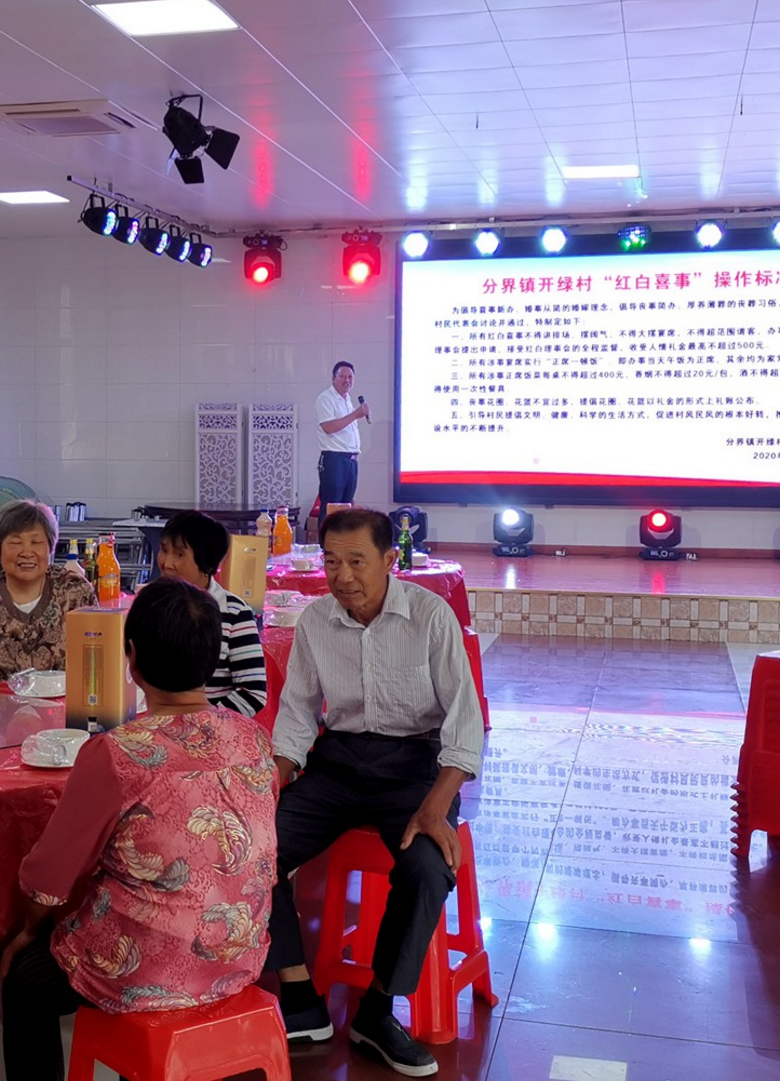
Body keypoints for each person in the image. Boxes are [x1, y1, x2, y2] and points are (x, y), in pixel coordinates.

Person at [0, 579, 277, 1081]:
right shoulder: (252, 739)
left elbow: (46, 882)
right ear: (212, 658)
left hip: (146, 969)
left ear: (131, 656)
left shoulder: (118, 753)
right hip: (239, 955)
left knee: (24, 978)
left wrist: (31, 931)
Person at [267, 508, 482, 1078]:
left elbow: (465, 723)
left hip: (415, 766)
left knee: (427, 868)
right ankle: (299, 996)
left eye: (357, 562)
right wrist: (271, 782)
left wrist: (436, 807)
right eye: (332, 562)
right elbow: (297, 714)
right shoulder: (316, 621)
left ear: (390, 561)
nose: (342, 576)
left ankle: (378, 1012)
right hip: (338, 763)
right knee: (255, 847)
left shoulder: (429, 616)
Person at [0, 499, 95, 684]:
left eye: (36, 542)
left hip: (64, 702)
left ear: (50, 547)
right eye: (15, 542)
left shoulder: (76, 591)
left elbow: (101, 662)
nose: (27, 552)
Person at [153, 510, 267, 717]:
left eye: (179, 554)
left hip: (211, 728)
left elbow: (253, 692)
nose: (166, 563)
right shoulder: (151, 606)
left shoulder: (234, 613)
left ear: (206, 563)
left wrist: (205, 722)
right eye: (164, 550)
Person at [314, 361, 368, 514]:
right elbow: (329, 427)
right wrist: (355, 414)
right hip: (334, 459)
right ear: (333, 378)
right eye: (342, 377)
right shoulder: (326, 398)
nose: (347, 380)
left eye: (350, 377)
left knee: (346, 508)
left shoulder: (347, 400)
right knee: (332, 506)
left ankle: (342, 532)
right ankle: (326, 531)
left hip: (351, 460)